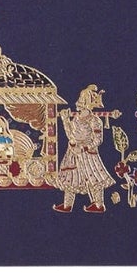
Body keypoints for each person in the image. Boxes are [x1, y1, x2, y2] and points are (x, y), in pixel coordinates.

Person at [52, 85, 112, 213]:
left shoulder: (95, 121)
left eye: (83, 100)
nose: (79, 103)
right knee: (70, 176)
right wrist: (65, 120)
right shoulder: (76, 118)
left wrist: (84, 148)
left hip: (88, 154)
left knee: (94, 177)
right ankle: (67, 205)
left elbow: (98, 140)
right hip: (73, 151)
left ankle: (99, 205)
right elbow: (71, 136)